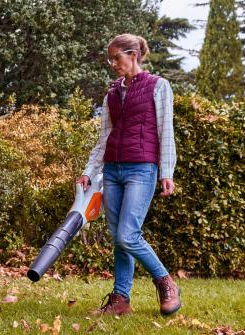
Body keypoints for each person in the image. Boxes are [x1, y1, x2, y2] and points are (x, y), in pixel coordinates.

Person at [77, 33, 181, 316]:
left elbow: (165, 131)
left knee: (127, 235)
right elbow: (104, 138)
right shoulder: (112, 93)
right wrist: (90, 171)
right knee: (118, 238)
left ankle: (166, 282)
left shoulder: (158, 86)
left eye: (117, 57)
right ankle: (120, 300)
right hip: (112, 170)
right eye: (110, 59)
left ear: (133, 54)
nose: (113, 63)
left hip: (141, 169)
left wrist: (166, 172)